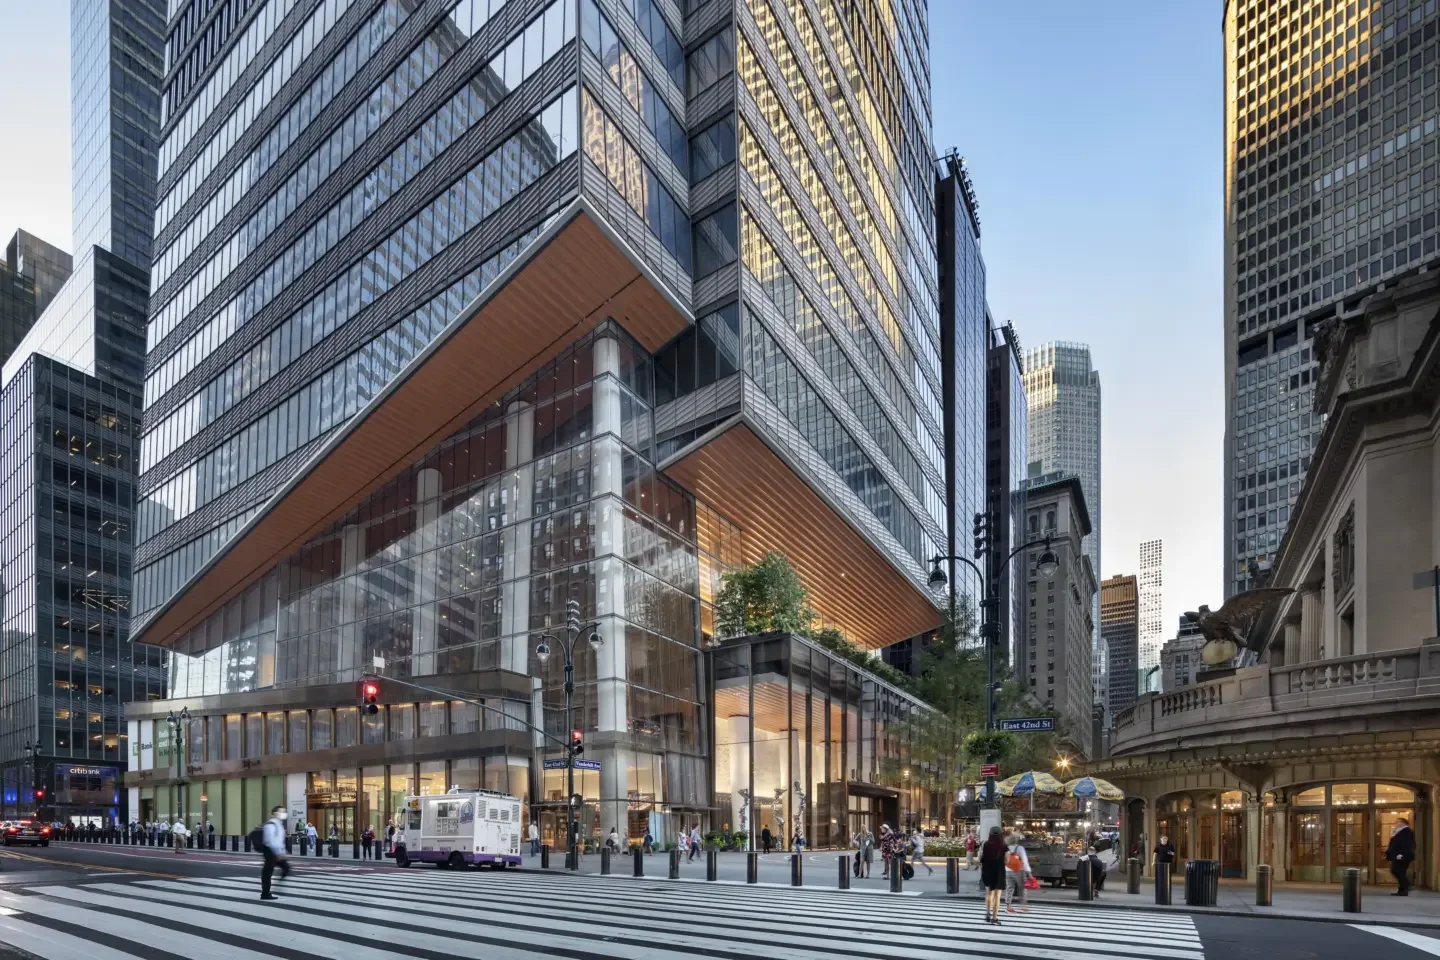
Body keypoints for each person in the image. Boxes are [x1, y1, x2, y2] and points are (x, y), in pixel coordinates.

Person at [260, 806, 290, 901]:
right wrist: (279, 853)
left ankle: (277, 886)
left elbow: (279, 841)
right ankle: (265, 893)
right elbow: (271, 841)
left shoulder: (279, 824)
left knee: (286, 868)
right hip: (269, 851)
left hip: (276, 851)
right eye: (282, 812)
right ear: (276, 813)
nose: (284, 813)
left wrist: (283, 852)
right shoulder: (270, 824)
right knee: (267, 873)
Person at [980, 826, 1007, 924]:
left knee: (989, 893)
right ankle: (994, 918)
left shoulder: (985, 844)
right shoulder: (1003, 845)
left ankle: (987, 913)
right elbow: (1007, 860)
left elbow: (980, 857)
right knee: (997, 896)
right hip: (999, 872)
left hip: (987, 871)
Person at [1386, 817, 1416, 895]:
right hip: (1397, 855)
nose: (1396, 824)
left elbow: (1407, 844)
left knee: (1397, 870)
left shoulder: (1407, 831)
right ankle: (1402, 890)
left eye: (1398, 822)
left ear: (1403, 823)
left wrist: (1401, 854)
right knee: (1400, 872)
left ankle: (1406, 885)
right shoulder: (1398, 832)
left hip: (1402, 856)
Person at [1004, 834, 1030, 914]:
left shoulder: (1005, 848)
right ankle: (1023, 906)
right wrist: (1028, 871)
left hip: (1008, 870)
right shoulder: (1020, 848)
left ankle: (1008, 907)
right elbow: (1025, 861)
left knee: (1009, 889)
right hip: (1019, 871)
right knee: (1022, 889)